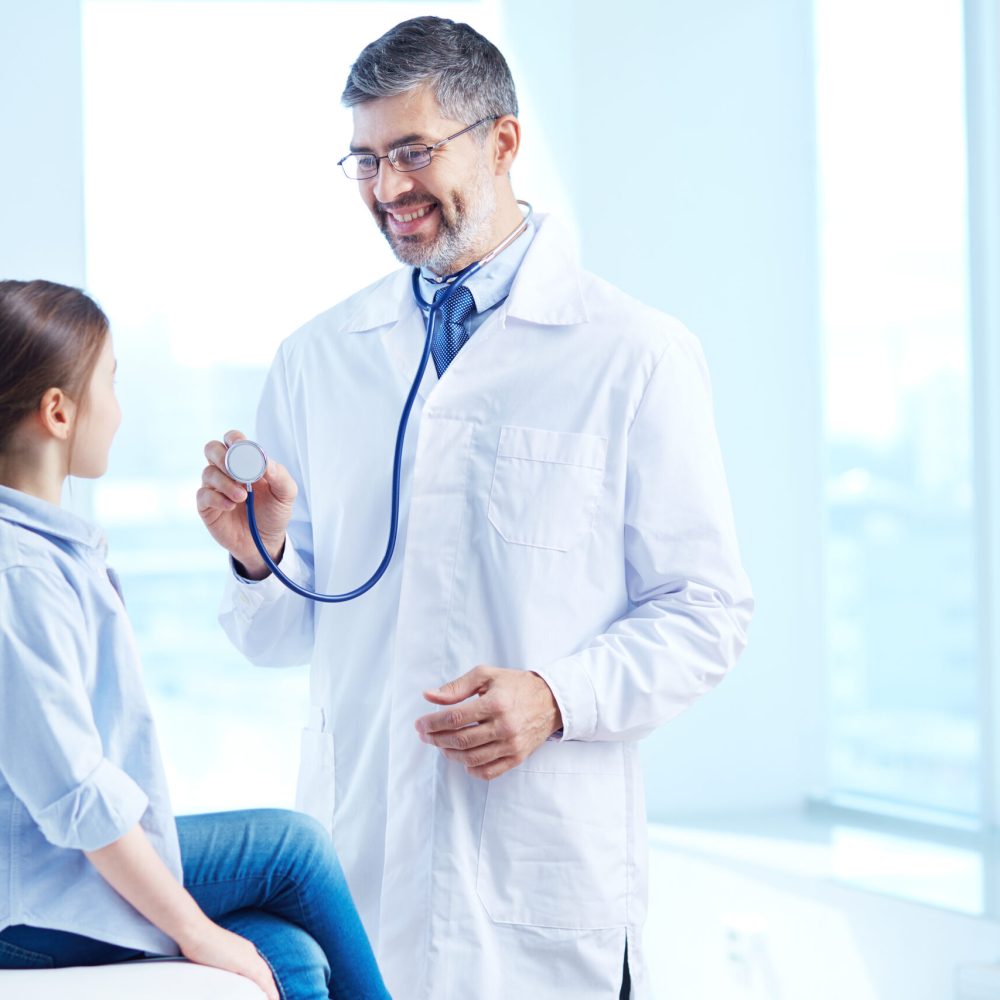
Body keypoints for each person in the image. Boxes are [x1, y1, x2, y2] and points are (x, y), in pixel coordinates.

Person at [198, 15, 753, 1000]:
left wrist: (556, 696)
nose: (386, 189)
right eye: (363, 159)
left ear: (502, 141)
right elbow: (282, 638)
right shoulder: (319, 356)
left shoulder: (631, 352)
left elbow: (706, 611)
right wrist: (259, 552)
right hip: (355, 877)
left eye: (413, 151)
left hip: (537, 884)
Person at [0, 279, 390, 1000]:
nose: (119, 411)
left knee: (288, 954)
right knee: (294, 849)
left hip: (45, 874)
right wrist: (198, 932)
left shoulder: (48, 551)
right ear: (58, 411)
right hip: (29, 902)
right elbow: (77, 795)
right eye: (109, 384)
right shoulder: (17, 570)